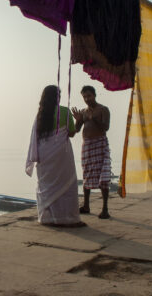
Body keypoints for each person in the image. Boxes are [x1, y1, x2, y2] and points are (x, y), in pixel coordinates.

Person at [26, 85, 86, 227]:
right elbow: (71, 133)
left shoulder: (40, 115)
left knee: (46, 186)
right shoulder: (64, 111)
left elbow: (37, 138)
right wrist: (79, 121)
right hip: (61, 156)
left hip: (44, 156)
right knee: (67, 185)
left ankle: (48, 218)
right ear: (57, 97)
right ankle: (68, 218)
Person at [72, 85, 111, 219]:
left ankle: (105, 208)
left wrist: (93, 118)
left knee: (103, 176)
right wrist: (78, 120)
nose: (87, 99)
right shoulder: (83, 112)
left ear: (94, 95)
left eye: (89, 96)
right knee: (87, 174)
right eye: (84, 97)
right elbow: (76, 130)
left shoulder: (103, 109)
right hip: (87, 145)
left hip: (100, 144)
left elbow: (106, 127)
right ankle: (86, 205)